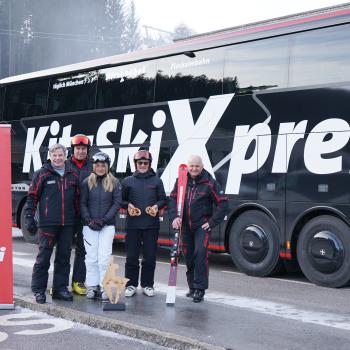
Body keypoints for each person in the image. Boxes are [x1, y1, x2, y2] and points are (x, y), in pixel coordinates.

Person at [169, 155, 229, 303]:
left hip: (201, 226)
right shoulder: (181, 181)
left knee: (200, 255)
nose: (194, 169)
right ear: (187, 167)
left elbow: (223, 204)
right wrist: (174, 217)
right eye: (191, 166)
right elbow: (172, 199)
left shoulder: (210, 183)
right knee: (188, 256)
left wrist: (212, 222)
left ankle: (200, 289)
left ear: (202, 167)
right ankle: (191, 287)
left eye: (197, 166)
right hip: (185, 226)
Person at [25, 144, 80, 304]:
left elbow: (77, 199)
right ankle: (39, 290)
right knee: (43, 258)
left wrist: (77, 219)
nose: (57, 158)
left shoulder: (73, 175)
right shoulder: (41, 174)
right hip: (48, 224)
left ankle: (60, 289)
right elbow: (32, 197)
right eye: (54, 155)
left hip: (67, 225)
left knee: (63, 258)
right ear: (50, 156)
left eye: (60, 155)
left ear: (65, 155)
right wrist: (29, 217)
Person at [121, 150, 167, 297]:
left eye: (145, 163)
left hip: (151, 225)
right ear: (135, 164)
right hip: (133, 224)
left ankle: (147, 285)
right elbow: (121, 200)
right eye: (139, 163)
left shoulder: (157, 181)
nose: (142, 165)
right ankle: (131, 285)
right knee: (132, 256)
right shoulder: (127, 181)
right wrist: (127, 205)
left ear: (149, 164)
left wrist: (156, 206)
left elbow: (163, 199)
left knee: (150, 256)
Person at [80, 152, 122, 301]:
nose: (100, 168)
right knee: (91, 257)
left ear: (107, 167)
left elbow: (117, 203)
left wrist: (104, 220)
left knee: (104, 258)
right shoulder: (86, 182)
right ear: (93, 166)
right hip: (89, 225)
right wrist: (88, 219)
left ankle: (104, 287)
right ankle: (92, 286)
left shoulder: (115, 182)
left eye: (103, 165)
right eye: (97, 165)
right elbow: (82, 202)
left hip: (107, 225)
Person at [68, 134, 93, 296]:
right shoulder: (65, 165)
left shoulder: (93, 166)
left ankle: (78, 282)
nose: (81, 151)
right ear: (73, 150)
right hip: (68, 214)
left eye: (84, 149)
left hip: (85, 214)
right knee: (63, 250)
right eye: (78, 148)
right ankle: (60, 284)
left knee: (83, 250)